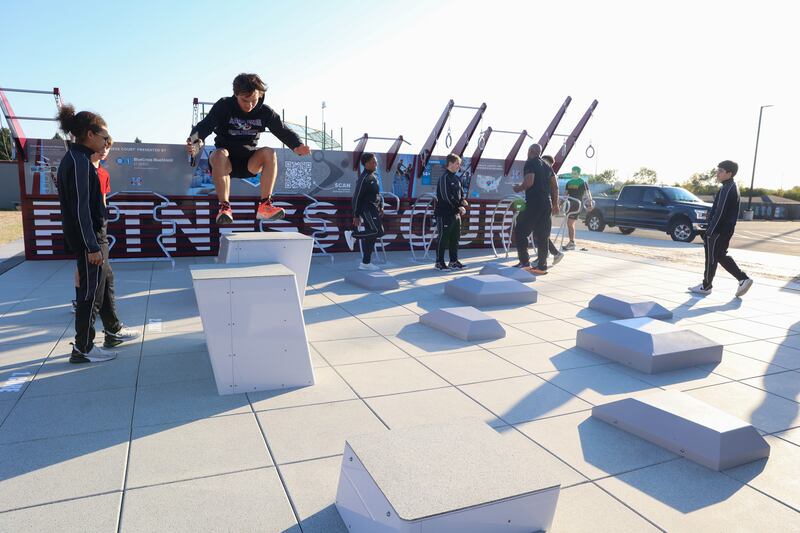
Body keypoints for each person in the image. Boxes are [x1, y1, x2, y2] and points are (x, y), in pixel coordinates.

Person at [56, 105, 139, 364]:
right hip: (89, 240)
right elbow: (80, 209)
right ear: (90, 134)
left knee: (104, 285)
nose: (107, 143)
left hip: (93, 239)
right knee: (90, 295)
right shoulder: (79, 163)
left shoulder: (79, 160)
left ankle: (112, 331)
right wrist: (92, 247)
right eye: (104, 137)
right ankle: (83, 349)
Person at [186, 73, 311, 225]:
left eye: (254, 100)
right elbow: (204, 126)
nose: (249, 105)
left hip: (249, 163)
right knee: (220, 153)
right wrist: (194, 142)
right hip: (225, 163)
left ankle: (265, 205)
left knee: (269, 152)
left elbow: (282, 130)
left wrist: (297, 145)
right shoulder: (224, 106)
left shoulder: (265, 112)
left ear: (261, 95)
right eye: (245, 100)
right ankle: (224, 207)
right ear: (236, 95)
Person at [689, 160, 753, 297]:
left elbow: (720, 212)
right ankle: (743, 279)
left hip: (718, 231)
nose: (717, 173)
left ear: (729, 173)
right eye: (717, 170)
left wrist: (710, 231)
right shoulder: (730, 186)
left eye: (720, 171)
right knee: (719, 256)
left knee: (711, 257)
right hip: (724, 230)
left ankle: (706, 286)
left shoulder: (728, 188)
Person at [72, 138, 113, 312]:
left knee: (105, 273)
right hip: (84, 227)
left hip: (98, 228)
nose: (104, 150)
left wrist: (103, 223)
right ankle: (80, 302)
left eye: (108, 148)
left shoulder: (104, 174)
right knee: (82, 269)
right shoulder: (81, 169)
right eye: (103, 146)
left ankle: (107, 316)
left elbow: (102, 201)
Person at [512, 144, 559, 274]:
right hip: (546, 204)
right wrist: (555, 204)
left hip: (534, 203)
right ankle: (541, 266)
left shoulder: (530, 163)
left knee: (520, 231)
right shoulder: (547, 166)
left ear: (530, 151)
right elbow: (555, 186)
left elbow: (529, 182)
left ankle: (524, 262)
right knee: (543, 235)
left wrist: (518, 188)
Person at [345, 153, 385, 271]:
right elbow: (356, 197)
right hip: (366, 209)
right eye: (373, 162)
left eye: (376, 161)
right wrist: (356, 215)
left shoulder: (374, 176)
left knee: (371, 236)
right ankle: (352, 235)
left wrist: (381, 206)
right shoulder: (364, 178)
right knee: (378, 231)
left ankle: (365, 263)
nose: (375, 163)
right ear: (366, 164)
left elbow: (377, 194)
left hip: (374, 208)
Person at [434, 154, 467, 271]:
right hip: (444, 214)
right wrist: (458, 206)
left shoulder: (457, 178)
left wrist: (463, 200)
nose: (459, 166)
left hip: (455, 214)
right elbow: (446, 196)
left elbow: (461, 193)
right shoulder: (444, 178)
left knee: (455, 238)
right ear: (451, 163)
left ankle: (453, 261)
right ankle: (439, 262)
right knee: (443, 238)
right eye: (457, 163)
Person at [540, 155, 565, 265]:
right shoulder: (547, 173)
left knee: (541, 232)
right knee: (541, 232)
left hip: (545, 205)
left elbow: (555, 189)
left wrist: (555, 205)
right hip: (544, 205)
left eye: (543, 161)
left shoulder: (550, 174)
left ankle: (553, 254)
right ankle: (550, 254)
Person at [563, 165, 593, 250]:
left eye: (575, 172)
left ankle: (572, 243)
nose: (573, 174)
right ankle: (571, 242)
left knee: (570, 223)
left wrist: (590, 204)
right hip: (569, 205)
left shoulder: (582, 182)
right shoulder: (569, 182)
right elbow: (565, 194)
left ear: (579, 173)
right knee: (570, 224)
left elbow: (588, 194)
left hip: (577, 205)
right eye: (572, 172)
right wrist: (559, 204)